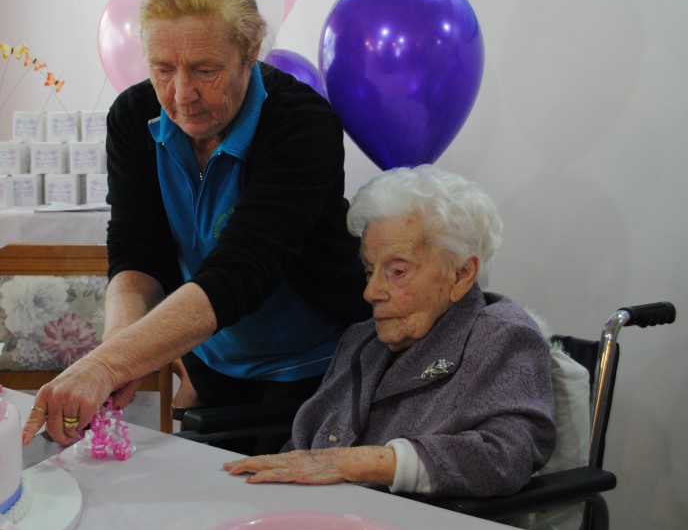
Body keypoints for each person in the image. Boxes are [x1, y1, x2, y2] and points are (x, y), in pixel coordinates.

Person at [22, 0, 369, 446]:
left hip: (317, 365)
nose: (182, 95)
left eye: (205, 70)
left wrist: (107, 364)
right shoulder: (133, 118)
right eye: (163, 68)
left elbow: (241, 271)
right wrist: (117, 352)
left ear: (250, 51)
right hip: (214, 360)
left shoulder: (301, 124)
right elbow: (136, 253)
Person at [224, 165, 557, 497]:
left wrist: (364, 463)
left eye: (397, 271)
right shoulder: (362, 339)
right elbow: (305, 444)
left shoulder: (501, 337)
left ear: (461, 275)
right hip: (312, 515)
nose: (371, 292)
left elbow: (508, 454)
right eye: (370, 271)